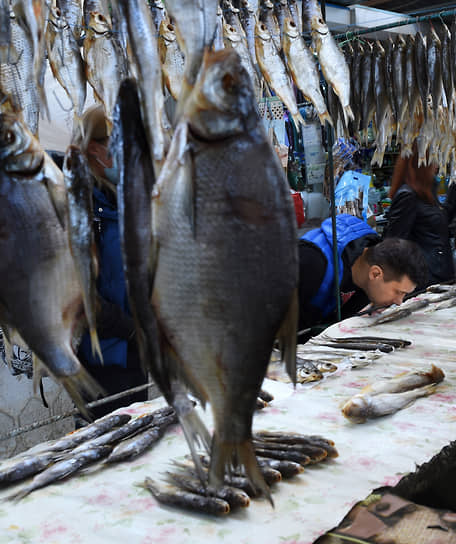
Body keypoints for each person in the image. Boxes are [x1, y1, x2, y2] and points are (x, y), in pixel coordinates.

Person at [75, 106, 148, 420]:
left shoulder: (123, 199)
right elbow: (78, 293)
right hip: (102, 360)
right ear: (95, 148)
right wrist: (130, 329)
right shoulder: (80, 205)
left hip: (135, 354)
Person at [297, 213, 428, 335]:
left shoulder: (368, 269)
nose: (399, 302)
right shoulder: (311, 264)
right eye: (398, 292)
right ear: (375, 274)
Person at [383, 148, 454, 286]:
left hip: (439, 272)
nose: (437, 166)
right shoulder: (408, 195)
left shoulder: (427, 193)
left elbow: (439, 224)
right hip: (426, 278)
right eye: (434, 161)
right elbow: (394, 243)